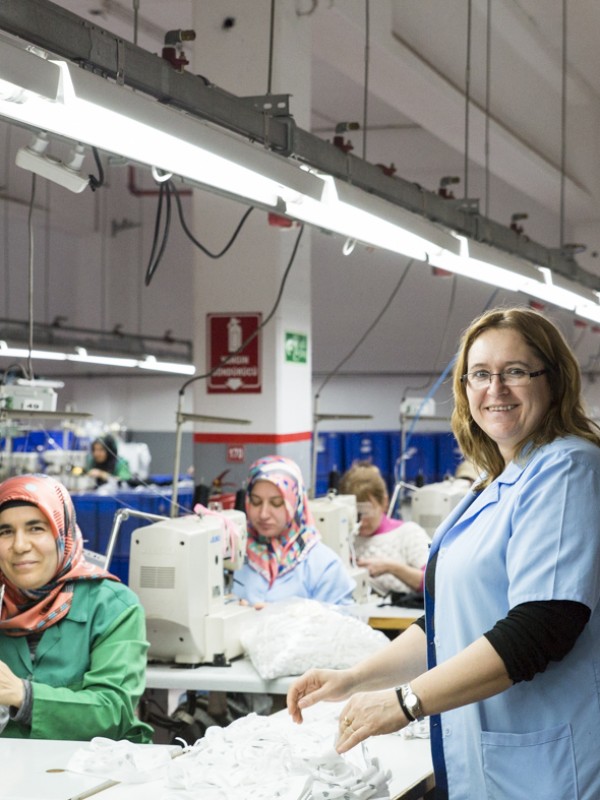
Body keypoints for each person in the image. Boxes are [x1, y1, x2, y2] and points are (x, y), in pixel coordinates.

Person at [287, 307, 600, 800]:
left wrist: (406, 702)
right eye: (480, 374)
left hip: (549, 770)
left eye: (516, 371)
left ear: (554, 379)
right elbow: (447, 621)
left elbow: (544, 624)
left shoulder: (568, 468)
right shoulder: (493, 482)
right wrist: (355, 679)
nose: (495, 388)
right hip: (489, 765)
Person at [0, 474, 153, 742]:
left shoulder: (112, 606)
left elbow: (113, 711)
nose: (20, 546)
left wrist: (24, 696)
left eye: (36, 528)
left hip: (97, 764)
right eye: (5, 532)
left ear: (63, 533)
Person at [233, 455, 355, 605]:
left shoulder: (325, 567)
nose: (263, 514)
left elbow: (343, 619)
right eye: (256, 501)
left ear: (296, 503)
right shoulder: (234, 556)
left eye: (276, 503)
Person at [339, 461, 429, 596]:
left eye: (365, 512)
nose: (360, 521)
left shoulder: (409, 534)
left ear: (384, 502)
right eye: (354, 514)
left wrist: (391, 567)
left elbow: (433, 582)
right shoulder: (342, 540)